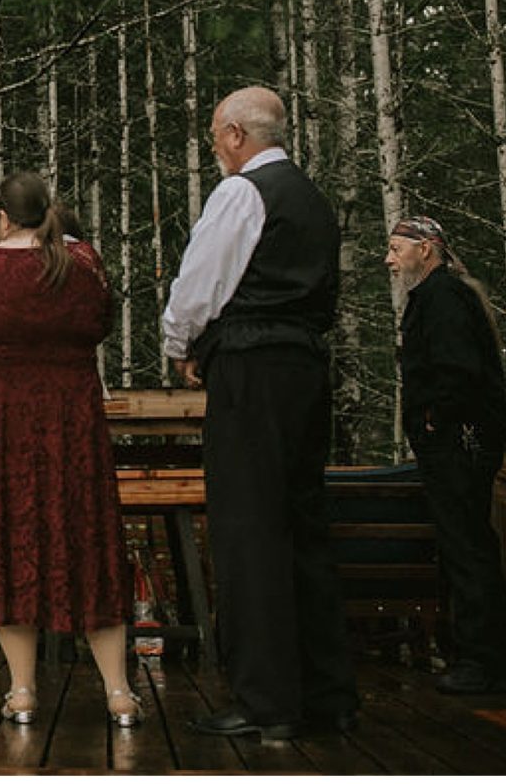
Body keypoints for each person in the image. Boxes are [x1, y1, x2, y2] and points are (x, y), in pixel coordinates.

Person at [162, 86, 358, 742]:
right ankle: (327, 691)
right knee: (304, 523)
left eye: (218, 134)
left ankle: (268, 698)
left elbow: (200, 283)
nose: (216, 147)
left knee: (249, 528)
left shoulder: (242, 192)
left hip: (252, 369)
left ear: (239, 135)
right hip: (305, 367)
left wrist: (182, 344)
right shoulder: (313, 201)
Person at [0, 172, 140, 729]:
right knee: (88, 535)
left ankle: (24, 690)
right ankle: (119, 693)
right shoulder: (84, 264)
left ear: (2, 217)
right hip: (70, 415)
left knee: (9, 537)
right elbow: (101, 321)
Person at [387, 215, 506, 694]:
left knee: (467, 548)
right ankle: (492, 660)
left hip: (458, 440)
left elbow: (458, 370)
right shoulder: (442, 295)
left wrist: (434, 419)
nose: (389, 259)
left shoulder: (442, 297)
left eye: (397, 248)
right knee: (469, 546)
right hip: (459, 438)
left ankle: (484, 663)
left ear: (427, 249)